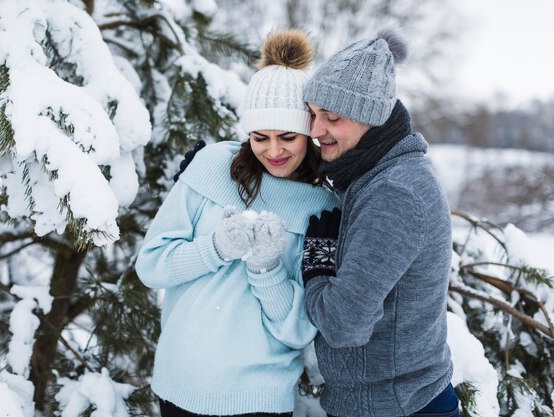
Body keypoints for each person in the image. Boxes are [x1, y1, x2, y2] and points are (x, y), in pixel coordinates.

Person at [135, 29, 339, 417]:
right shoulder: (211, 166)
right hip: (179, 384)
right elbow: (152, 266)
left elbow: (297, 330)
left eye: (288, 137)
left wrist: (266, 267)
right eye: (260, 137)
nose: (274, 151)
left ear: (310, 135)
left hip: (258, 397)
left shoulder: (323, 210)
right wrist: (215, 248)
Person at [300, 30, 459, 417]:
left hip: (395, 407)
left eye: (332, 118)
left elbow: (343, 325)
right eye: (313, 113)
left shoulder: (394, 193)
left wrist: (318, 267)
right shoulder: (375, 174)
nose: (315, 131)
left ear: (371, 118)